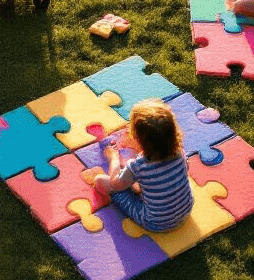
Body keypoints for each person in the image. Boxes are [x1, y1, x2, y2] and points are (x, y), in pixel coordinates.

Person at [82, 99, 194, 233]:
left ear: (138, 139)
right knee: (150, 182)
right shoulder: (180, 153)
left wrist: (114, 158)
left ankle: (134, 189)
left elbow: (115, 183)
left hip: (155, 223)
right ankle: (138, 187)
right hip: (185, 211)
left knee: (100, 181)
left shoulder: (138, 165)